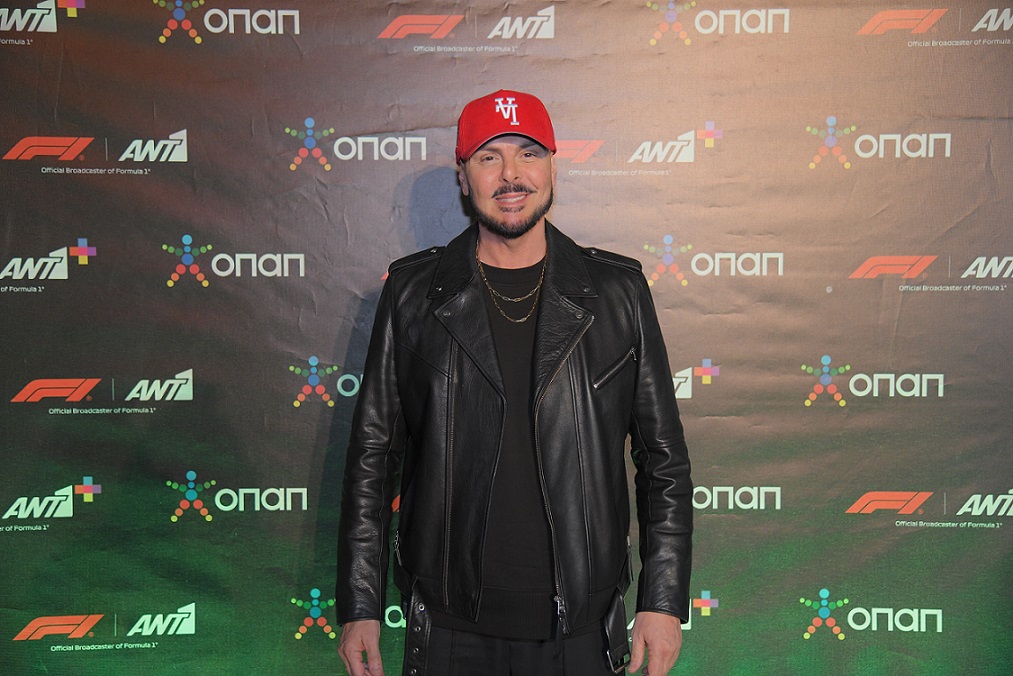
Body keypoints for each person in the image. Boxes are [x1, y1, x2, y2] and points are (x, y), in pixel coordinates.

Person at [336, 90, 692, 676]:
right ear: (463, 176)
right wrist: (360, 602)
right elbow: (373, 458)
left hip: (581, 625)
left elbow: (664, 461)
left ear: (553, 166)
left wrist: (663, 598)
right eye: (488, 157)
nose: (511, 175)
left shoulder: (618, 292)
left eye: (528, 153)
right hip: (450, 625)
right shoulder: (412, 295)